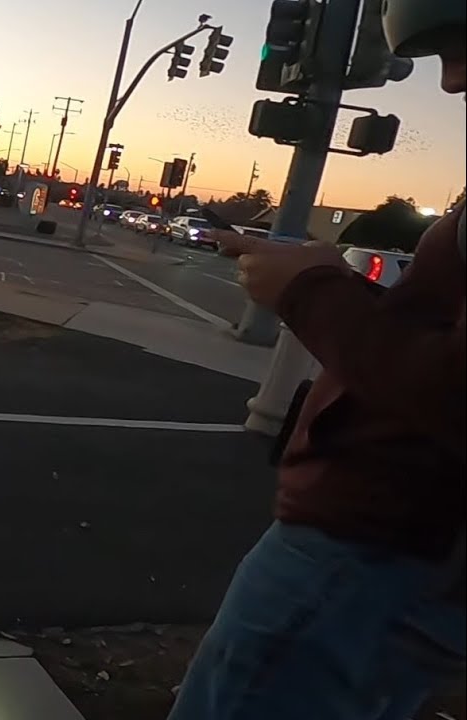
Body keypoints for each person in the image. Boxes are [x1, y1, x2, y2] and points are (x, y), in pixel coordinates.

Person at [167, 1, 467, 717]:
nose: (453, 82)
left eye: (465, 47)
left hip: (371, 556)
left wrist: (305, 288)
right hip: (394, 555)